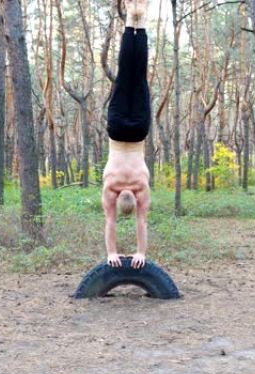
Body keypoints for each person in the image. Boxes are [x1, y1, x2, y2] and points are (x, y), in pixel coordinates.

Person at [102, 0, 151, 269]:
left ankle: (138, 23)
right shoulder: (110, 187)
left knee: (138, 75)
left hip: (139, 131)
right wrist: (128, 253)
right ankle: (131, 22)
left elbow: (140, 222)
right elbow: (114, 222)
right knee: (125, 75)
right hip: (118, 130)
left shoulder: (140, 187)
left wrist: (136, 252)